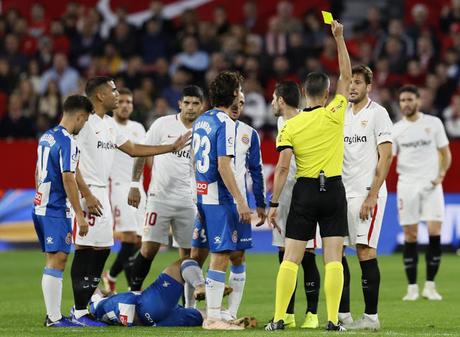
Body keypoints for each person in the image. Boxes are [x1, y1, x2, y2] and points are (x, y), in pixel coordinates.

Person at [70, 76, 190, 326]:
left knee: (102, 248)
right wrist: (88, 195)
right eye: (113, 91)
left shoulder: (109, 126)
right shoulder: (84, 122)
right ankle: (79, 310)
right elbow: (71, 163)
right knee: (85, 248)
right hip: (88, 192)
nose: (117, 95)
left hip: (101, 191)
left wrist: (171, 147)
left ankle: (89, 300)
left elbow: (135, 149)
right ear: (100, 95)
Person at [266, 20, 351, 332]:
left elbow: (284, 167)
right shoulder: (336, 113)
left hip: (304, 191)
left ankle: (278, 319)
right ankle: (331, 321)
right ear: (328, 92)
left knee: (291, 258)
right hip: (334, 190)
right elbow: (347, 75)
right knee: (332, 258)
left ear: (303, 93)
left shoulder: (291, 126)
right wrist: (339, 38)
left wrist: (274, 202)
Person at [190, 90, 266, 320]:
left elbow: (256, 171)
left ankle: (230, 313)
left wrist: (260, 203)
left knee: (238, 256)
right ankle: (195, 309)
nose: (238, 105)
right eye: (235, 101)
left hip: (234, 203)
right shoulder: (216, 124)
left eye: (242, 102)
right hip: (216, 201)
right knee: (200, 254)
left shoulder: (248, 134)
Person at [127, 85, 205, 292]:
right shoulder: (162, 124)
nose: (190, 107)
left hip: (188, 201)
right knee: (149, 248)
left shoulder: (204, 131)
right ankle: (133, 294)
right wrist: (135, 184)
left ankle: (188, 306)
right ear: (179, 104)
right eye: (186, 103)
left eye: (195, 103)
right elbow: (142, 152)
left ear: (202, 106)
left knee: (188, 256)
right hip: (159, 198)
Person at [339, 65, 393, 330]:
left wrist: (372, 195)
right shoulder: (341, 114)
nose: (352, 87)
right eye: (350, 82)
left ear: (368, 87)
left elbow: (386, 156)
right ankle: (343, 316)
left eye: (358, 82)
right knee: (336, 252)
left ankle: (371, 318)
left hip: (366, 194)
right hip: (343, 194)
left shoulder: (378, 114)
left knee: (364, 251)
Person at [32, 95, 94, 327]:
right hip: (55, 208)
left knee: (55, 258)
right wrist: (79, 213)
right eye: (85, 120)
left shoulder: (47, 136)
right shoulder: (68, 141)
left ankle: (54, 315)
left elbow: (38, 171)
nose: (84, 125)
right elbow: (68, 178)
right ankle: (54, 318)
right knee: (58, 259)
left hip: (41, 204)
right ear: (79, 116)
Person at [393, 85, 452, 301]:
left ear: (418, 101)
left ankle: (430, 285)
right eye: (402, 100)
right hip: (407, 185)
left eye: (409, 99)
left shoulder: (433, 123)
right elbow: (387, 157)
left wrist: (441, 175)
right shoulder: (396, 129)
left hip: (431, 185)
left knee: (435, 232)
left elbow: (446, 154)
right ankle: (411, 288)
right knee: (411, 235)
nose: (406, 104)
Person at [270, 81, 321, 329]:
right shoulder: (281, 123)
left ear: (281, 100)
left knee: (308, 255)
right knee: (284, 255)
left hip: (304, 192)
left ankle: (312, 314)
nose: (271, 103)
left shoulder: (307, 120)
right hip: (286, 194)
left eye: (273, 98)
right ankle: (287, 314)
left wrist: (273, 200)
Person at [102, 88, 148, 293]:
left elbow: (146, 156)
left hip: (138, 188)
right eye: (120, 101)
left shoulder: (138, 127)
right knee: (129, 237)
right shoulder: (106, 126)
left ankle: (111, 276)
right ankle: (133, 291)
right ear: (114, 104)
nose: (125, 105)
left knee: (139, 241)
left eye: (129, 102)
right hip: (119, 186)